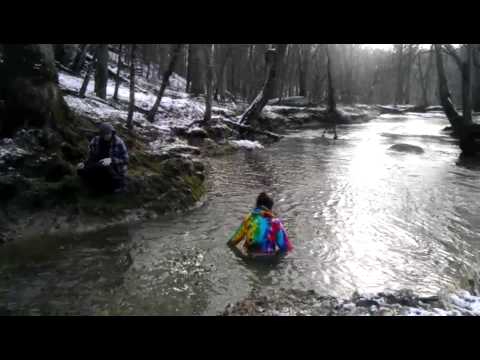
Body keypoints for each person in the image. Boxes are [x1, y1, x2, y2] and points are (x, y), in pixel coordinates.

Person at [227, 192, 293, 258]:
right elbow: (286, 248)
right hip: (270, 261)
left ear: (257, 205)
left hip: (250, 260)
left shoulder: (249, 219)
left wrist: (241, 256)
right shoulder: (276, 222)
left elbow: (232, 243)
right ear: (270, 208)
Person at [77, 122, 129, 193]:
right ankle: (95, 187)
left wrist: (111, 160)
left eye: (108, 133)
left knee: (103, 168)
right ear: (101, 134)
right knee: (80, 170)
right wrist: (84, 163)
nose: (107, 136)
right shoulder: (95, 140)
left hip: (114, 170)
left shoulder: (118, 142)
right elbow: (91, 157)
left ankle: (115, 186)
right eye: (104, 134)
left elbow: (125, 159)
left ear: (112, 132)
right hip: (98, 166)